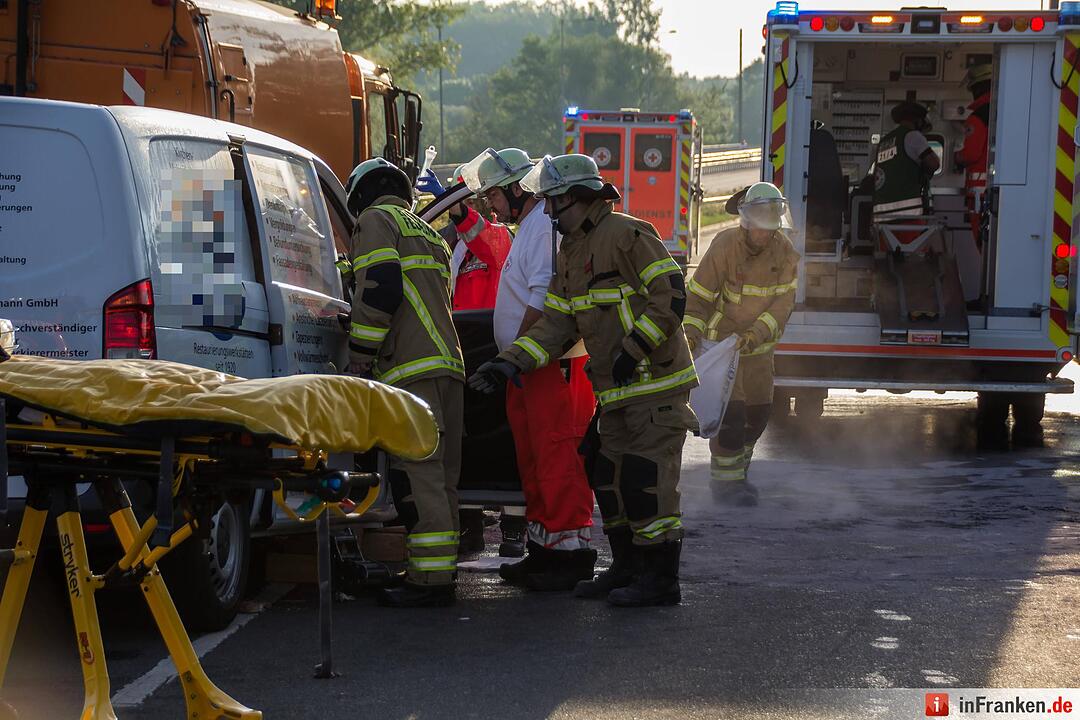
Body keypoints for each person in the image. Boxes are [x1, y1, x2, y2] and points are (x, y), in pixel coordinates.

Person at [469, 154, 698, 607]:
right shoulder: (571, 255)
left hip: (655, 387)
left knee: (644, 481)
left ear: (580, 198)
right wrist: (509, 364)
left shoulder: (628, 235)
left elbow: (670, 297)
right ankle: (626, 568)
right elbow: (556, 326)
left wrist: (632, 351)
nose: (549, 213)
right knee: (608, 479)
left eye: (555, 203)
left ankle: (660, 579)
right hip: (615, 394)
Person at [460, 148, 597, 591]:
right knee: (537, 463)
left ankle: (568, 557)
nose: (492, 208)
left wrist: (511, 357)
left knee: (558, 462)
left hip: (548, 366)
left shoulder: (541, 227)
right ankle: (544, 551)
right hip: (533, 368)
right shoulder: (533, 226)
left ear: (517, 189)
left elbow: (541, 304)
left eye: (495, 197)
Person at [344, 157, 465, 608]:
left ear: (361, 196)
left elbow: (381, 287)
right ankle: (438, 570)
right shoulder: (428, 232)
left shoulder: (376, 220)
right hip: (449, 367)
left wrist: (359, 354)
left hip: (410, 370)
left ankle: (428, 582)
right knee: (443, 477)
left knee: (419, 477)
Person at [416, 165, 527, 557]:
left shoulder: (500, 238)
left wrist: (461, 213)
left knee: (505, 441)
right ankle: (470, 526)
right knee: (464, 440)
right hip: (458, 348)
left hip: (493, 350)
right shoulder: (445, 244)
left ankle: (515, 526)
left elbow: (486, 242)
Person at [683, 182, 800, 507]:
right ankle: (725, 488)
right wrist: (691, 335)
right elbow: (698, 299)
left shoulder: (785, 252)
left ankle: (738, 475)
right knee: (732, 419)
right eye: (759, 228)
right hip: (725, 351)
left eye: (770, 228)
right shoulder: (724, 246)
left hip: (759, 353)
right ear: (746, 222)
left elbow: (782, 306)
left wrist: (755, 335)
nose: (765, 235)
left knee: (758, 416)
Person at [872, 101, 941, 220]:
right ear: (918, 120)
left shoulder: (884, 142)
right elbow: (934, 164)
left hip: (881, 214)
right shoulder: (913, 136)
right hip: (907, 212)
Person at [954, 64, 991, 249]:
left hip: (981, 198)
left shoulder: (978, 117)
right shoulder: (1007, 112)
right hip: (999, 195)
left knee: (983, 246)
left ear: (978, 88)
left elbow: (971, 154)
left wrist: (956, 158)